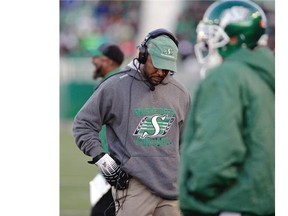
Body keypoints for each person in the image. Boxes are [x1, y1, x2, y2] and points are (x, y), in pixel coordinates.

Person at [73, 28, 191, 216]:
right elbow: (83, 124)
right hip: (133, 187)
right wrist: (103, 160)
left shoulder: (181, 93)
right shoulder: (115, 86)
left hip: (172, 190)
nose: (161, 72)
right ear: (143, 55)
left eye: (167, 67)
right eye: (157, 65)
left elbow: (187, 142)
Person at [178, 0, 275, 216]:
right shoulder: (264, 75)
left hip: (232, 204)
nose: (207, 42)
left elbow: (216, 153)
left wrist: (197, 188)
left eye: (213, 34)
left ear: (234, 35)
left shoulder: (227, 76)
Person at [88, 43, 124, 216]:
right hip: (113, 162)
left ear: (109, 61)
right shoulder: (117, 81)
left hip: (117, 164)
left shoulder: (114, 83)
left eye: (97, 57)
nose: (93, 61)